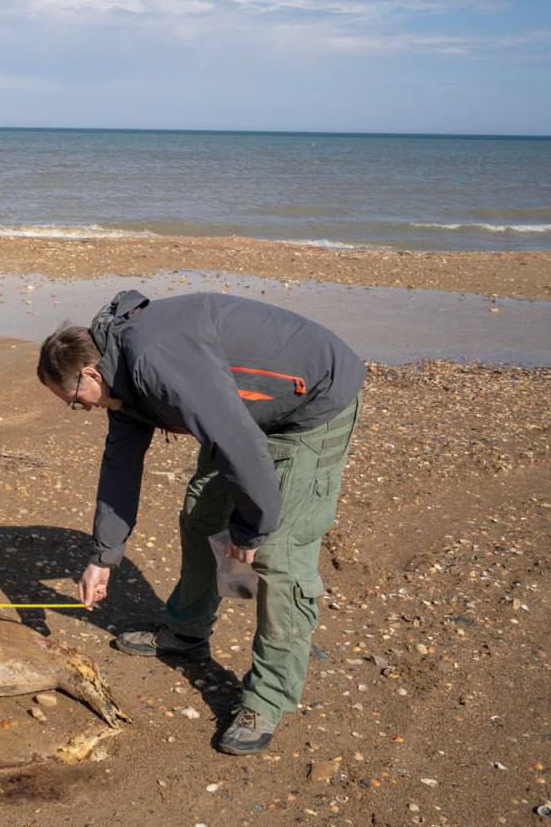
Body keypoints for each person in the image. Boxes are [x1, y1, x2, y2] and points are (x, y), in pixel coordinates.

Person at [37, 290, 365, 755]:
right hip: (242, 409)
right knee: (202, 515)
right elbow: (121, 466)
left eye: (75, 400)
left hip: (310, 401)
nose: (83, 409)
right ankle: (186, 633)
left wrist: (252, 527)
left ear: (90, 373)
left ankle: (267, 698)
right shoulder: (121, 379)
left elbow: (238, 444)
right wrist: (103, 557)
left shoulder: (155, 363)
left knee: (278, 554)